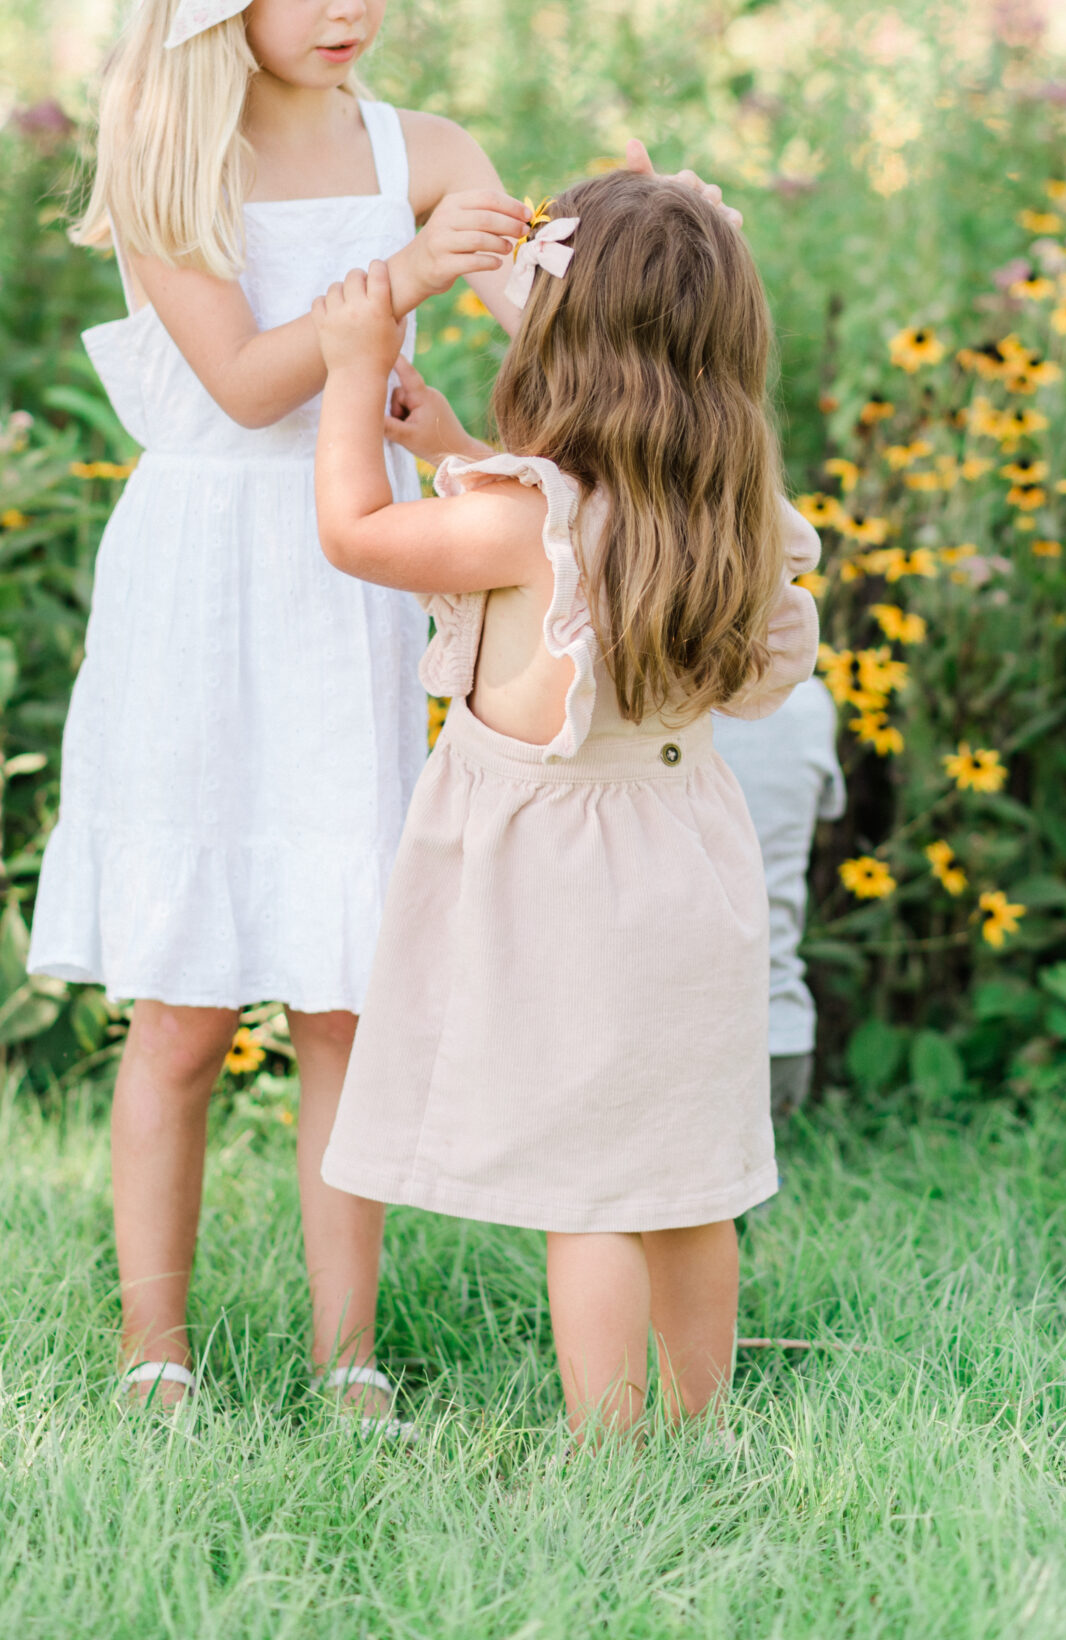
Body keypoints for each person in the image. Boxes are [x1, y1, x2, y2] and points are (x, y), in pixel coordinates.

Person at [27, 0, 530, 1425]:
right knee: (180, 1012)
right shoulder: (167, 149)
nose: (348, 10)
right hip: (205, 587)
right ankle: (151, 1342)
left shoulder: (424, 153)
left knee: (339, 995)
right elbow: (247, 382)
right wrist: (391, 291)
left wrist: (613, 242)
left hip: (352, 578)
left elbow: (545, 319)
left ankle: (346, 1352)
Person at [308, 170, 820, 1442]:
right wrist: (448, 447)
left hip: (565, 898)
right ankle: (700, 1425)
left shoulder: (518, 524)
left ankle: (611, 1451)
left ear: (562, 344)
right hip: (691, 865)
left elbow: (356, 533)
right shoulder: (731, 512)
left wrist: (348, 370)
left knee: (588, 1194)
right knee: (683, 1181)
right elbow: (573, 522)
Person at [712, 677, 844, 1119]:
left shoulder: (643, 706)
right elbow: (827, 809)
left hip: (677, 1058)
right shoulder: (809, 699)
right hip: (781, 1037)